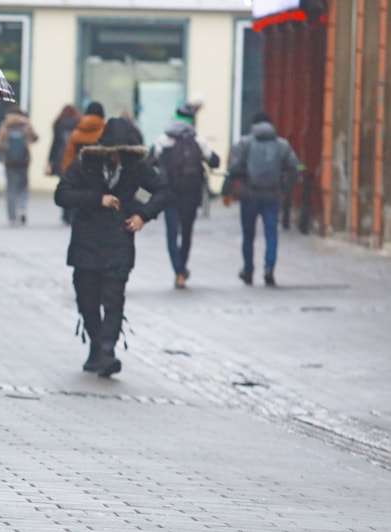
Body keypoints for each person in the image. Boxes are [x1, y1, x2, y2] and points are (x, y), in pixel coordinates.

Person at [54, 117, 171, 378]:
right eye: (115, 153)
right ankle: (96, 346)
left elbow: (163, 190)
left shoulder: (137, 166)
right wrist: (98, 199)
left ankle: (108, 350)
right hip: (86, 243)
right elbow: (61, 195)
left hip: (119, 242)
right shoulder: (85, 162)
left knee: (114, 299)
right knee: (87, 300)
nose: (118, 158)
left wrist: (143, 215)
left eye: (123, 153)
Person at [222, 110, 300, 287]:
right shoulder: (282, 145)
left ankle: (248, 270)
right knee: (271, 234)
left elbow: (233, 169)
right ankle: (269, 268)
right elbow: (296, 168)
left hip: (249, 194)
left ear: (253, 126)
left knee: (248, 236)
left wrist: (225, 191)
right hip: (272, 195)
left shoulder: (244, 143)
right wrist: (285, 189)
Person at [149, 104, 220, 289]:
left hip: (170, 193)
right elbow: (214, 161)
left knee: (172, 234)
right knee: (187, 232)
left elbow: (150, 161)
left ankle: (179, 271)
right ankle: (183, 265)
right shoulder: (198, 141)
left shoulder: (163, 140)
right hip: (191, 193)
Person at [0, 105, 39, 226]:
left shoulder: (5, 125)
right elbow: (35, 138)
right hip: (23, 161)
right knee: (23, 187)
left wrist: (5, 147)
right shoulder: (25, 124)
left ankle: (12, 217)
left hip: (10, 162)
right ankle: (22, 208)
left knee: (11, 188)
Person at [45, 104, 81, 224]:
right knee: (74, 186)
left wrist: (49, 161)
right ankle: (72, 213)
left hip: (60, 159)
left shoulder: (59, 123)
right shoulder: (78, 123)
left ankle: (65, 213)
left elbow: (55, 144)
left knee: (64, 186)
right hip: (74, 159)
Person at [60, 101, 105, 174]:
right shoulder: (105, 133)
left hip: (78, 175)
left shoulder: (75, 134)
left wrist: (66, 175)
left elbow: (69, 157)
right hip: (99, 176)